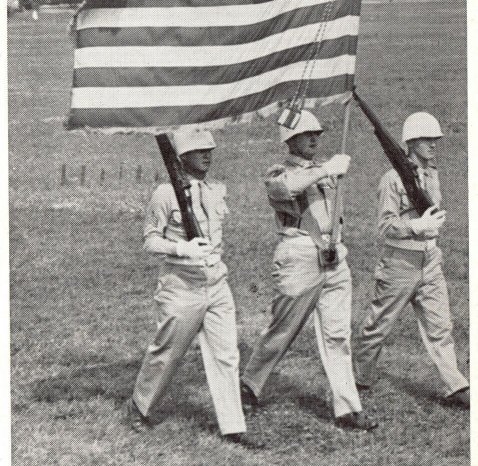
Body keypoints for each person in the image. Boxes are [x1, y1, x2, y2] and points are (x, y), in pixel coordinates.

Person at [125, 125, 263, 448]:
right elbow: (149, 241)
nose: (207, 155)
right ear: (182, 155)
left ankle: (232, 426)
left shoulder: (215, 190)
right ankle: (140, 406)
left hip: (216, 283)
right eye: (200, 151)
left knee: (226, 354)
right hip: (181, 285)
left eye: (210, 150)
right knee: (167, 352)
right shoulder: (164, 194)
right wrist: (180, 249)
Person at [241, 110, 378, 430]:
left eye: (317, 133)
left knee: (337, 334)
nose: (314, 138)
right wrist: (326, 169)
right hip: (299, 254)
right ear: (290, 140)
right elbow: (284, 190)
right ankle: (250, 383)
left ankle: (346, 406)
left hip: (334, 256)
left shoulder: (325, 170)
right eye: (306, 134)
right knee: (282, 330)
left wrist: (328, 171)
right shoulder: (280, 171)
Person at [354, 112, 469, 408]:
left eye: (435, 139)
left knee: (440, 326)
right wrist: (415, 227)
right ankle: (359, 377)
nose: (434, 144)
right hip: (400, 263)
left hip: (430, 259)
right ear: (411, 142)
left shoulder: (432, 174)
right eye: (427, 139)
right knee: (378, 325)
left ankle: (455, 386)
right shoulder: (392, 179)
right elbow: (385, 226)